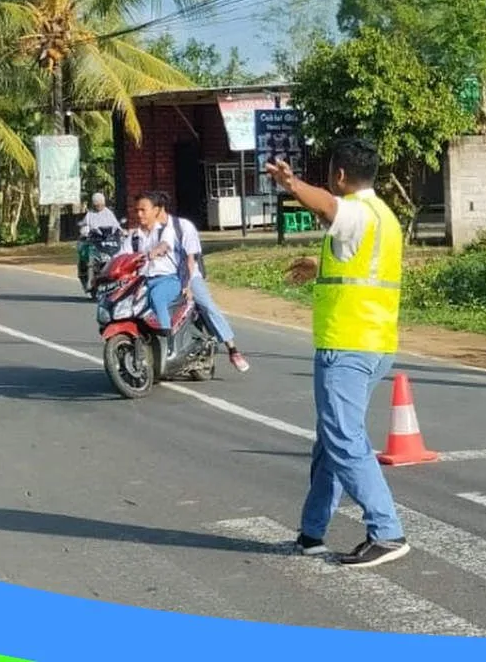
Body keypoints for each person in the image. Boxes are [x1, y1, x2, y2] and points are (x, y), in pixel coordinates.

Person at [263, 138, 409, 568]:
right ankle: (312, 533)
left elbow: (328, 206)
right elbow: (361, 266)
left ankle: (387, 531)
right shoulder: (383, 217)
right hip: (374, 344)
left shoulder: (357, 211)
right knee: (332, 441)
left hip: (347, 346)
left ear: (341, 175)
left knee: (344, 440)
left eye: (331, 173)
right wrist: (319, 266)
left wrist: (291, 183)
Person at [161, 205, 251, 373]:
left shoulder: (183, 227)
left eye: (144, 210)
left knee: (208, 306)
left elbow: (190, 259)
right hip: (164, 279)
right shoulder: (146, 231)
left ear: (158, 209)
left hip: (188, 276)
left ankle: (233, 350)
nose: (140, 214)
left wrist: (187, 285)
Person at [132, 191, 182, 336]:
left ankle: (167, 340)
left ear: (155, 210)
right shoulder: (134, 237)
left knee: (157, 296)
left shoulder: (165, 230)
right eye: (137, 210)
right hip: (142, 282)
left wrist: (153, 252)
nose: (139, 214)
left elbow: (164, 245)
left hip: (168, 280)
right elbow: (120, 256)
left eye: (143, 210)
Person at [77, 192, 122, 282]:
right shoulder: (90, 215)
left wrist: (121, 231)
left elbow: (116, 225)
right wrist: (85, 231)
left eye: (101, 204)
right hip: (95, 241)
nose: (99, 206)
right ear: (94, 204)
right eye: (97, 204)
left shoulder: (109, 213)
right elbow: (84, 225)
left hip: (108, 240)